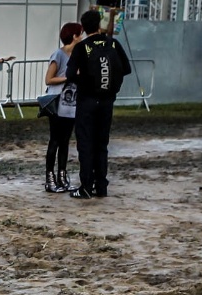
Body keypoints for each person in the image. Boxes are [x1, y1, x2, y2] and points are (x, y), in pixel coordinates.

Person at [65, 10, 131, 199]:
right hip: (107, 102)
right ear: (99, 25)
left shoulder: (82, 47)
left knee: (85, 144)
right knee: (101, 144)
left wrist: (83, 80)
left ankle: (86, 186)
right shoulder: (112, 43)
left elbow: (70, 75)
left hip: (87, 101)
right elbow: (126, 69)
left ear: (84, 28)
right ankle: (101, 186)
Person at [43, 23, 83, 193]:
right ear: (73, 36)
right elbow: (49, 79)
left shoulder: (78, 55)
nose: (82, 37)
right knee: (55, 140)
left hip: (72, 104)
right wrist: (68, 77)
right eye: (80, 34)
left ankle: (62, 175)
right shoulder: (58, 54)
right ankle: (49, 177)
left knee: (65, 142)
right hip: (57, 102)